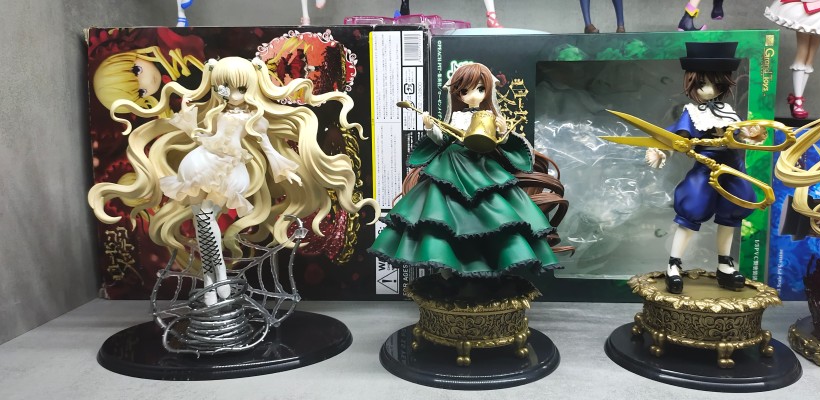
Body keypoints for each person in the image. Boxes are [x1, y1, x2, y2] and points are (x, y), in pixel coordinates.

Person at [89, 57, 379, 305]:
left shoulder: (254, 117)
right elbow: (208, 136)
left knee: (205, 218)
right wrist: (192, 128)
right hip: (202, 162)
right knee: (202, 219)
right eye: (225, 87)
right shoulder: (216, 112)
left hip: (230, 169)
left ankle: (215, 277)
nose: (234, 94)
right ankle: (213, 277)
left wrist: (283, 168)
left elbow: (266, 146)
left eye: (240, 87)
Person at [368, 63, 560, 277]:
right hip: (450, 165)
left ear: (488, 90)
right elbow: (442, 139)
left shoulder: (489, 116)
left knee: (493, 210)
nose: (473, 95)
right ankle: (448, 262)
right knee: (440, 211)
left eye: (480, 89)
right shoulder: (457, 117)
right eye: (464, 90)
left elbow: (500, 141)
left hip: (481, 165)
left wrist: (503, 131)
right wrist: (430, 127)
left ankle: (489, 259)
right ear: (457, 93)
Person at [646, 42, 765, 294]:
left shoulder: (728, 112)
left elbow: (740, 135)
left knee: (732, 214)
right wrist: (661, 152)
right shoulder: (692, 113)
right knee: (691, 211)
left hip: (732, 167)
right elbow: (675, 138)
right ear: (692, 84)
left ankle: (725, 265)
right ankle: (674, 264)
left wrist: (752, 136)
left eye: (716, 84)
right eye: (702, 84)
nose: (709, 90)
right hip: (705, 167)